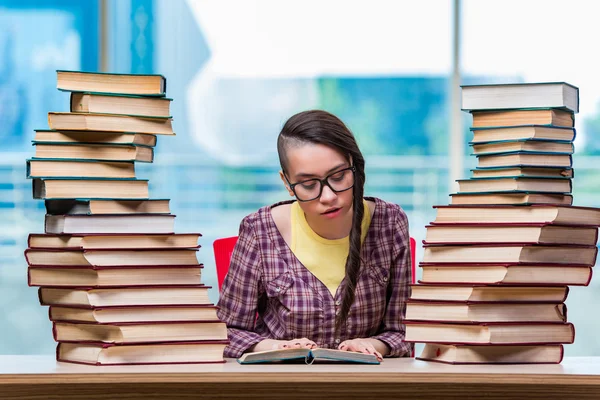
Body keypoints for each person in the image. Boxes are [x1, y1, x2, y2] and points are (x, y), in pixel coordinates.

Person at [216, 110, 413, 360]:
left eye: (339, 176)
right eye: (309, 185)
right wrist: (275, 348)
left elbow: (406, 330)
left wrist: (372, 344)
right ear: (287, 183)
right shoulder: (260, 230)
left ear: (355, 165)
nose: (328, 197)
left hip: (367, 384)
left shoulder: (390, 222)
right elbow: (227, 331)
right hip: (283, 383)